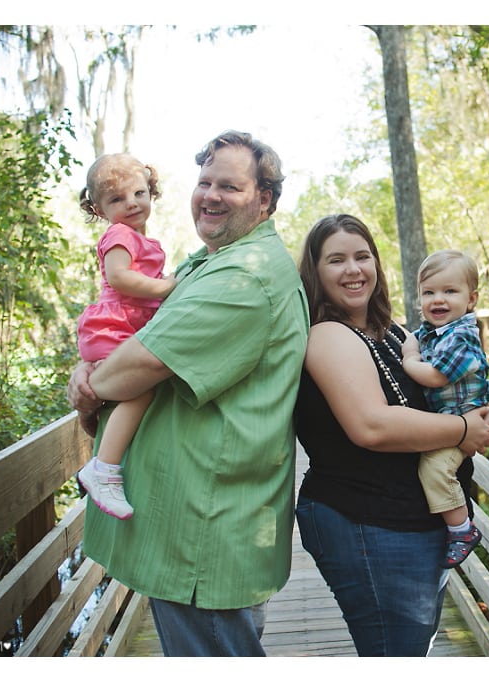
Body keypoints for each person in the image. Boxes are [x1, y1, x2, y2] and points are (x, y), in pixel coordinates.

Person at [67, 131, 309, 656]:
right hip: (186, 524)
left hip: (205, 533)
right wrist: (86, 368)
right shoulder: (211, 261)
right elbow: (131, 341)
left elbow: (144, 362)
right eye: (205, 182)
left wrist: (91, 382)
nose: (211, 195)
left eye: (231, 186)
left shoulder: (247, 277)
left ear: (264, 199)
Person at [293, 214, 489, 656]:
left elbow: (455, 381)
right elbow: (372, 426)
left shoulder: (394, 333)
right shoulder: (326, 335)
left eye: (362, 256)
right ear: (315, 272)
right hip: (367, 520)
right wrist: (465, 429)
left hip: (409, 522)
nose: (354, 269)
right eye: (336, 260)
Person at [75, 153, 177, 520]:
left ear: (151, 192)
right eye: (117, 199)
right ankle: (102, 469)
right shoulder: (119, 234)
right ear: (100, 210)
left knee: (128, 392)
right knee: (140, 389)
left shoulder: (142, 238)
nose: (131, 203)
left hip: (127, 325)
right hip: (113, 324)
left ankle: (100, 445)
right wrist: (167, 287)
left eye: (138, 193)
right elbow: (118, 277)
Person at [400, 250, 489, 569]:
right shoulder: (433, 331)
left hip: (461, 424)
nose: (438, 300)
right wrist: (412, 345)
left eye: (449, 291)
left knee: (435, 470)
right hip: (450, 423)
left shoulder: (463, 336)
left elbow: (437, 376)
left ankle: (461, 530)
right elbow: (414, 340)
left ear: (471, 299)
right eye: (429, 292)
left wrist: (409, 360)